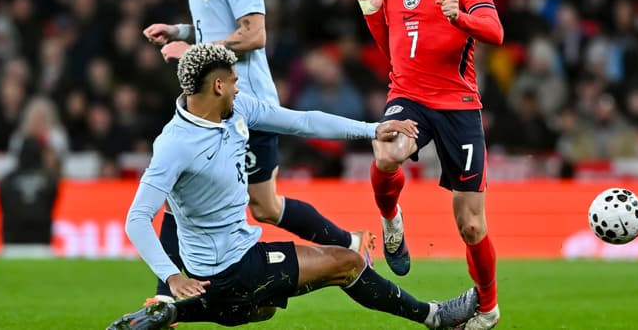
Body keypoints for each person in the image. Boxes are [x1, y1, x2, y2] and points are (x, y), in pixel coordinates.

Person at [106, 44, 478, 330]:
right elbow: (137, 218)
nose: (239, 86)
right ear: (218, 85)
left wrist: (371, 130)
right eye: (234, 80)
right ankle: (435, 317)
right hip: (232, 267)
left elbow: (302, 122)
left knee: (263, 308)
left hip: (223, 267)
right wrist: (170, 275)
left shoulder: (236, 110)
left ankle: (172, 310)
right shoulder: (176, 144)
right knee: (346, 264)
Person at [142, 0, 374, 303]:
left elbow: (254, 34)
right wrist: (177, 31)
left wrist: (192, 50)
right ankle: (167, 297)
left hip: (242, 105)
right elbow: (216, 28)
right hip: (218, 102)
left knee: (258, 206)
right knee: (217, 201)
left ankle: (349, 245)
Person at [355, 0, 502, 329]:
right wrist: (372, 14)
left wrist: (461, 18)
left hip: (458, 104)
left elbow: (494, 31)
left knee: (471, 225)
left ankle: (489, 307)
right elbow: (395, 55)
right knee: (386, 153)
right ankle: (391, 219)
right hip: (409, 95)